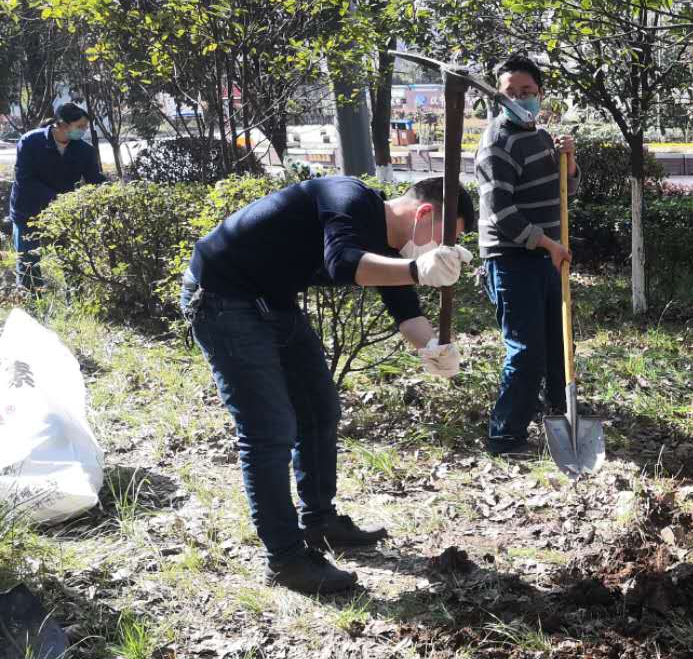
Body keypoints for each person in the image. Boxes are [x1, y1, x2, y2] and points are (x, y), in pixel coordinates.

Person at [180, 176, 474, 594]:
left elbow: (405, 309)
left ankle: (319, 522)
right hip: (222, 298)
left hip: (273, 302)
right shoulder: (348, 199)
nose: (437, 252)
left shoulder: (390, 247)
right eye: (444, 240)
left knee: (319, 409)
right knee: (269, 432)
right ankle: (285, 559)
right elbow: (343, 260)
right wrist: (415, 269)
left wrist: (432, 348)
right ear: (424, 213)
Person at [474, 54, 579, 456]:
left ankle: (559, 415)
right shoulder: (496, 142)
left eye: (528, 92)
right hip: (512, 260)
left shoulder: (539, 136)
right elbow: (501, 214)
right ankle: (505, 436)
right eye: (510, 92)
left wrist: (568, 164)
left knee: (557, 343)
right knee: (526, 350)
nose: (520, 98)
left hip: (547, 257)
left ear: (540, 94)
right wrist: (548, 243)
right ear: (496, 98)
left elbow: (562, 194)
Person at [7, 102, 106, 290]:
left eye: (85, 127)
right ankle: (32, 302)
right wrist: (58, 199)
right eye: (80, 127)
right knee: (28, 262)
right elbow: (25, 180)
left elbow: (94, 179)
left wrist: (110, 191)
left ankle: (75, 302)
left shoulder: (84, 150)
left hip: (63, 213)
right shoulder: (30, 142)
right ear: (61, 124)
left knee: (71, 262)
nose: (83, 131)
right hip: (28, 210)